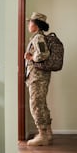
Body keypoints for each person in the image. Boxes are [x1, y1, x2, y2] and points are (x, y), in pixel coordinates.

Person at [24, 12, 53, 146]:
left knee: (35, 105)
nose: (29, 24)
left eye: (30, 22)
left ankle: (42, 136)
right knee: (41, 104)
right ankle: (48, 133)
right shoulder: (37, 37)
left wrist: (31, 57)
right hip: (39, 76)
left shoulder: (38, 38)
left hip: (37, 77)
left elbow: (43, 54)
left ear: (36, 24)